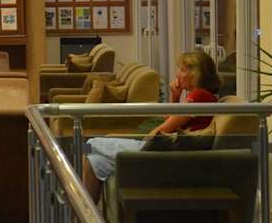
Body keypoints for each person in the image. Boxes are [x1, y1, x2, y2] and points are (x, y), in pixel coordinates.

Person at [81, 49, 221, 200]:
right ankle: (85, 212)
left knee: (90, 144)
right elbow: (170, 121)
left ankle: (75, 200)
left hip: (161, 154)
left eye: (182, 70)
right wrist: (175, 96)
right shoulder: (204, 96)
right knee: (94, 161)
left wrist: (146, 141)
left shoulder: (200, 96)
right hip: (165, 151)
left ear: (195, 74)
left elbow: (165, 127)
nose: (177, 74)